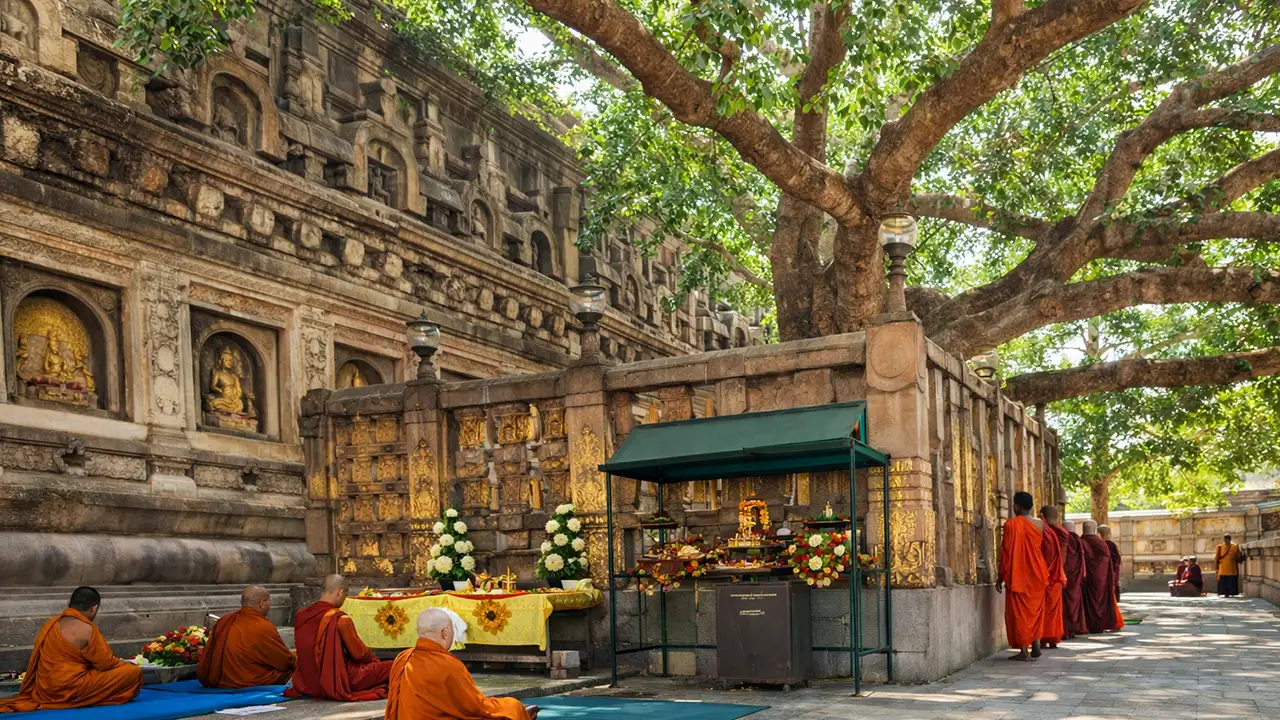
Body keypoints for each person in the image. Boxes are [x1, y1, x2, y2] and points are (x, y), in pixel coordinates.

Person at [0, 587, 143, 712]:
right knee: (133, 673)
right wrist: (126, 664)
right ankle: (87, 700)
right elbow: (105, 664)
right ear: (94, 608)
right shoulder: (87, 628)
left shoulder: (50, 624)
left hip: (44, 689)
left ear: (68, 604)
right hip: (70, 689)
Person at [386, 608, 537, 719]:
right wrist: (511, 706)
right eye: (452, 630)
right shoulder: (448, 664)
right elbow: (476, 706)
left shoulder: (402, 658)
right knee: (512, 707)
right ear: (445, 632)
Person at [286, 574, 393, 701]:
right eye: (345, 596)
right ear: (340, 592)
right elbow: (359, 654)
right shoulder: (340, 619)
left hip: (307, 683)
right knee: (394, 666)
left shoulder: (301, 615)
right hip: (338, 680)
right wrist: (374, 660)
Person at [198, 585, 295, 688]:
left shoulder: (224, 620)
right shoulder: (262, 626)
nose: (270, 604)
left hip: (216, 680)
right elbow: (285, 662)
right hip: (245, 682)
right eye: (269, 601)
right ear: (262, 604)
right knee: (296, 671)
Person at [996, 491, 1049, 661]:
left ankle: (1024, 651)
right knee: (1035, 610)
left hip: (1019, 574)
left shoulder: (1011, 524)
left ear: (1017, 506)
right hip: (1037, 573)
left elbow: (1007, 553)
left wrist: (1001, 576)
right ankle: (1036, 644)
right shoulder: (1040, 524)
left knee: (1020, 614)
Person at [1080, 522, 1123, 632]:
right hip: (1102, 579)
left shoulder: (1081, 542)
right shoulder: (1102, 544)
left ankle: (1086, 624)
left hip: (1086, 580)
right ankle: (1103, 623)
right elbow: (1113, 564)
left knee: (1086, 603)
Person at [1039, 507, 1069, 649]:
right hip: (1057, 575)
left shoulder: (1045, 533)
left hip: (1045, 575)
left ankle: (1043, 638)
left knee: (1044, 609)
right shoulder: (1062, 532)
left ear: (1042, 516)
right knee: (1054, 610)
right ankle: (1054, 638)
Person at [1061, 520, 1087, 639]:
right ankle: (1074, 628)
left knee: (1063, 603)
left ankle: (1064, 629)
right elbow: (1082, 558)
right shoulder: (1078, 541)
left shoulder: (1060, 536)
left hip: (1063, 574)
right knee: (1074, 601)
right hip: (1075, 577)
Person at [1098, 525, 1122, 601]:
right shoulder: (1111, 546)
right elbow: (1116, 564)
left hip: (1099, 579)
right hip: (1111, 578)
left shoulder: (1097, 545)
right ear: (1109, 534)